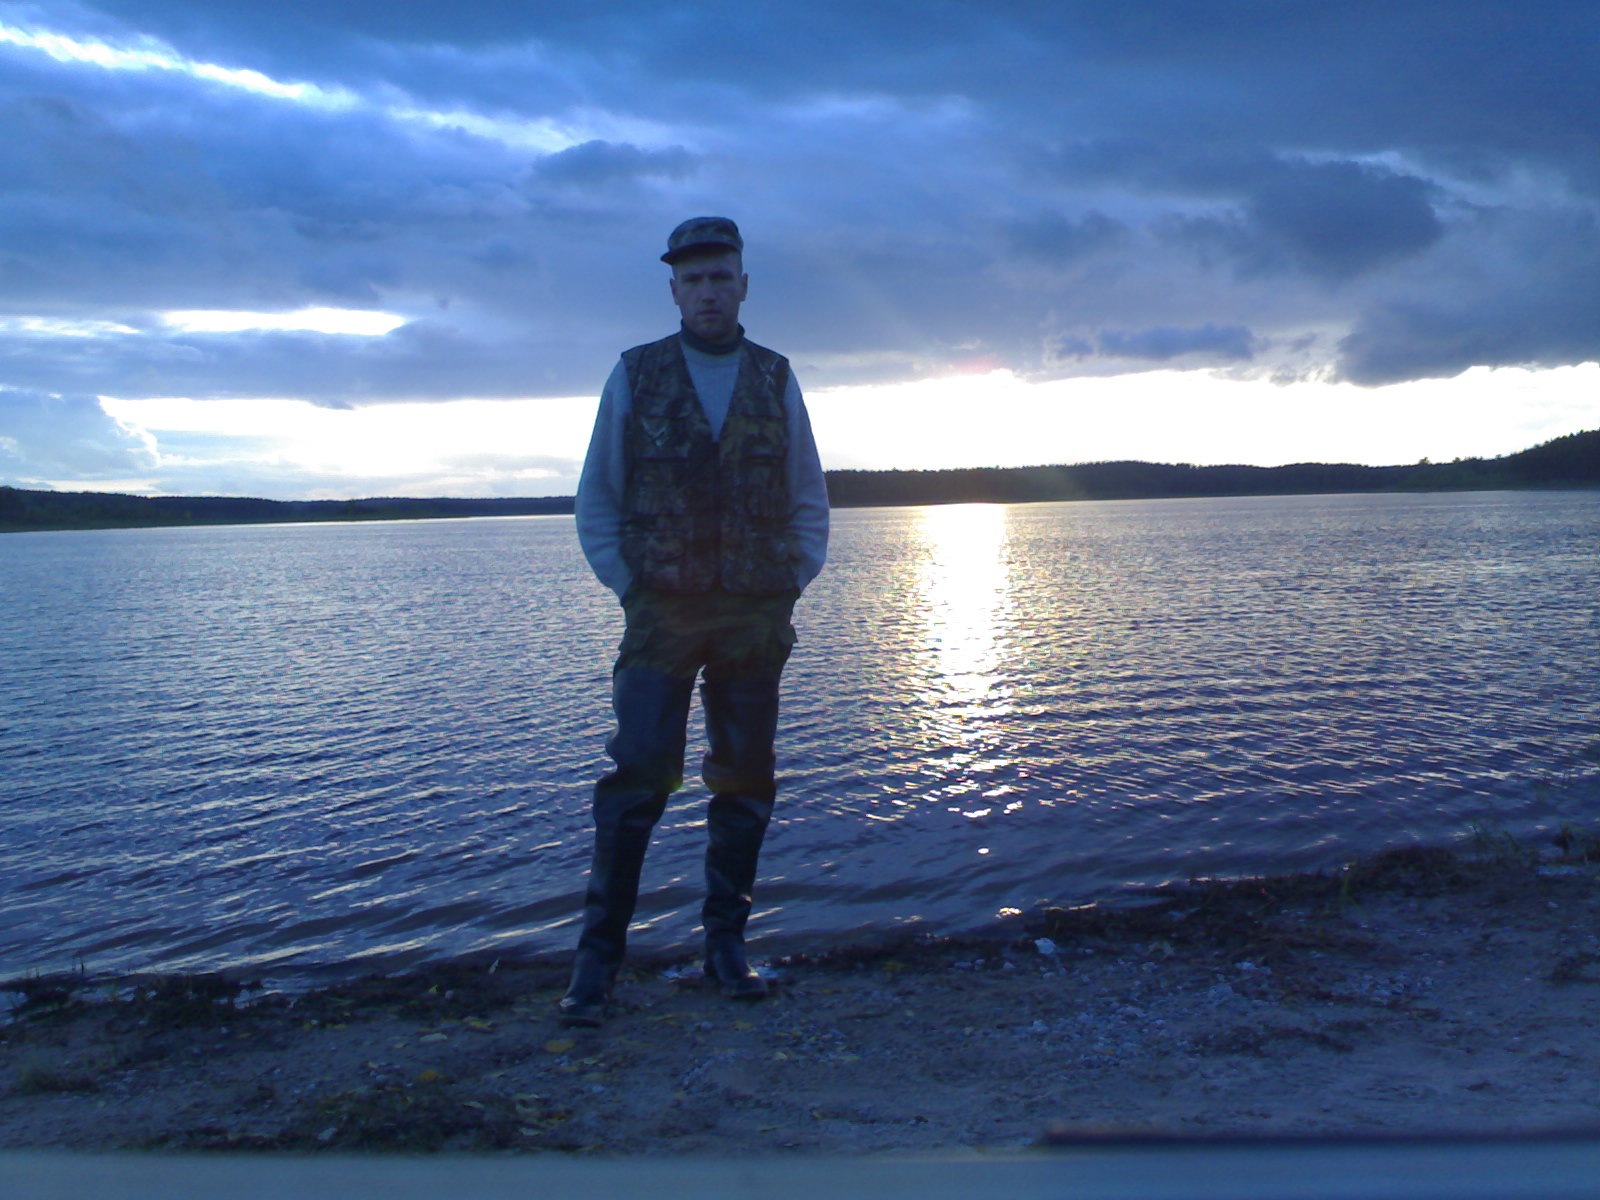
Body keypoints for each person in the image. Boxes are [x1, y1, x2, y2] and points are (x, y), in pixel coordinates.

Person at [560, 216, 829, 1026]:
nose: (708, 292)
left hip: (754, 614)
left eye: (720, 277)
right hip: (660, 615)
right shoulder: (635, 373)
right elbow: (597, 495)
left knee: (745, 782)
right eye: (693, 280)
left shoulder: (775, 376)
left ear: (743, 285)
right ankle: (596, 965)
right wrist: (630, 587)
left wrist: (787, 584)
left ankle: (725, 948)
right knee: (636, 781)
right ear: (674, 291)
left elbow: (807, 495)